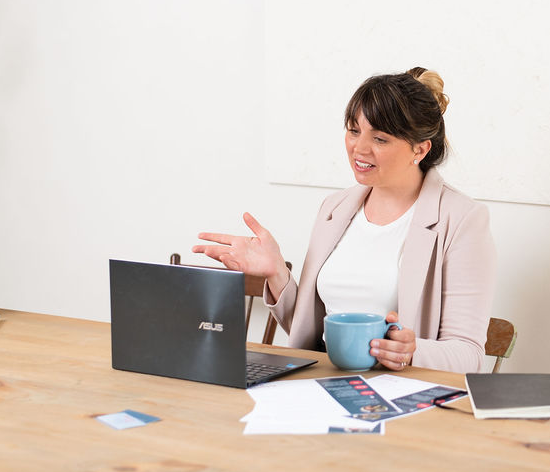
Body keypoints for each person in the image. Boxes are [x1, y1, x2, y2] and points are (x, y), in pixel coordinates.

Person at [193, 68, 496, 374]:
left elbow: (469, 354)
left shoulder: (461, 219)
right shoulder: (335, 208)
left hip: (404, 394)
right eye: (353, 131)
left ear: (420, 149)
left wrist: (412, 351)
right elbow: (309, 332)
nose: (359, 149)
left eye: (379, 138)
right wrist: (276, 274)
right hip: (324, 383)